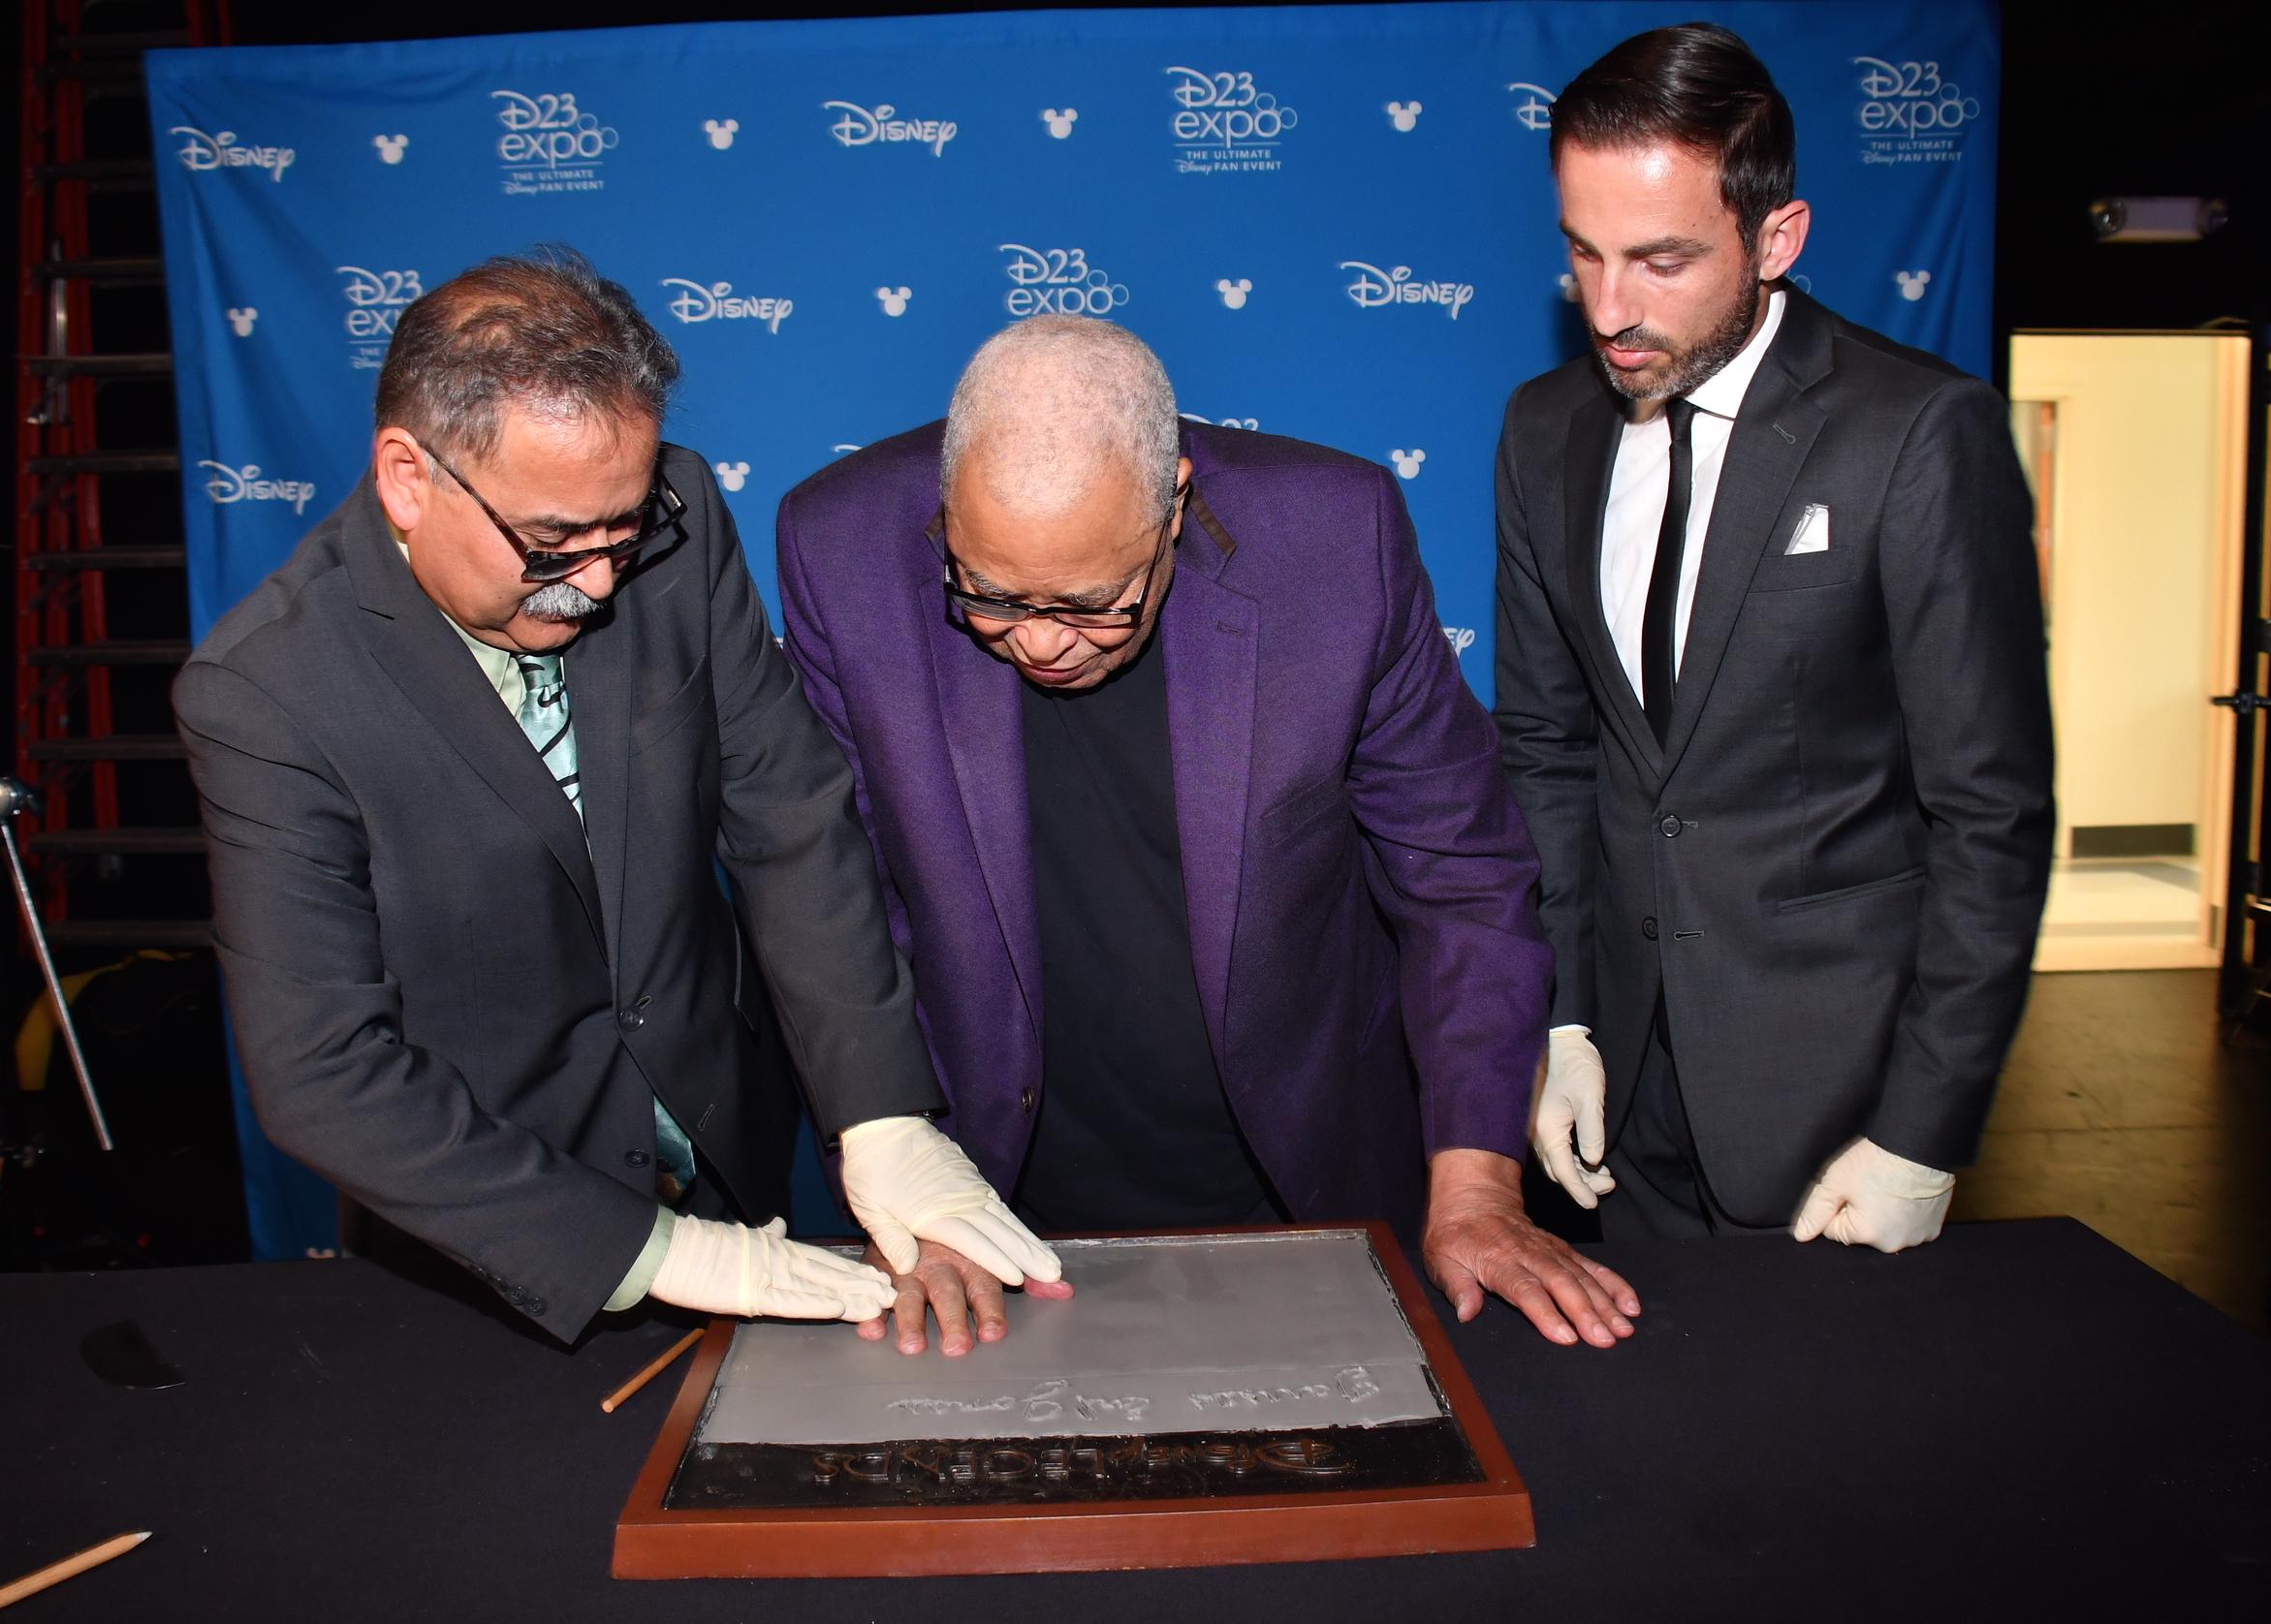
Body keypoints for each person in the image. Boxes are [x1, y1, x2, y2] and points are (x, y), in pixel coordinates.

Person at [175, 248, 1057, 1341]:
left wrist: (881, 1114)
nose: (597, 581)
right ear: (410, 476)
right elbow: (321, 1068)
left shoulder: (669, 520)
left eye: (622, 530)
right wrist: (649, 1249)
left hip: (740, 1154)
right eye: (550, 542)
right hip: (497, 1239)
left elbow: (788, 810)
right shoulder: (267, 693)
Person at [776, 315, 1640, 1357]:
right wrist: (900, 1154)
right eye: (991, 597)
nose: (1043, 642)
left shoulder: (1334, 539)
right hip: (988, 1185)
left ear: (1174, 502)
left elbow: (1459, 876)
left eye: (1095, 604)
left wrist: (1475, 1185)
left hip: (1301, 1176)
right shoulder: (839, 544)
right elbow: (838, 892)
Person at [1493, 25, 2054, 1248]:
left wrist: (1924, 1128)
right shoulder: (1543, 429)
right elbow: (1545, 746)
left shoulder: (1914, 432)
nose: (1609, 308)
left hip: (1840, 1105)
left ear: (1776, 239)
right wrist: (1560, 1016)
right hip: (1619, 1095)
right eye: (1582, 253)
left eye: (1662, 259)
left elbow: (1990, 813)